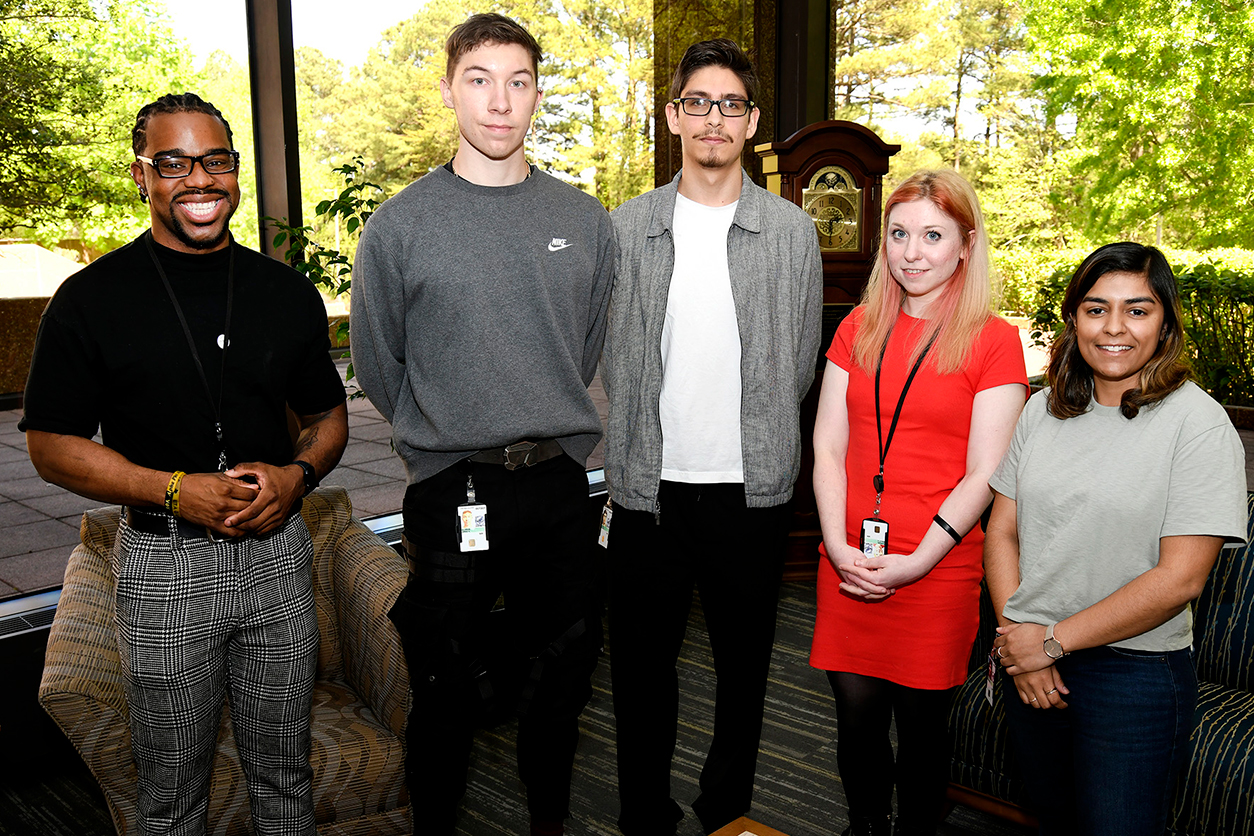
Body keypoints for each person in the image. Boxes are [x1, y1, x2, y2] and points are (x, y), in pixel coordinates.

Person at [20, 92, 349, 835]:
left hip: (277, 558)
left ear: (235, 173)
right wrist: (171, 490)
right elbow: (50, 444)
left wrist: (298, 478)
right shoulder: (88, 300)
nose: (198, 179)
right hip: (165, 571)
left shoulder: (286, 293)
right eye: (172, 162)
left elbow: (328, 419)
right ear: (141, 176)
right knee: (171, 791)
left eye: (215, 161)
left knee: (285, 775)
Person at [349, 13, 614, 836]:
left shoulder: (585, 219)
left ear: (537, 94)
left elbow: (590, 344)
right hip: (452, 491)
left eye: (520, 81)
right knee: (443, 686)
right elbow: (380, 362)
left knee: (560, 681)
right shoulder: (400, 227)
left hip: (562, 492)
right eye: (480, 79)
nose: (501, 102)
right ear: (448, 90)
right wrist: (447, 431)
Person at [601, 38, 823, 836]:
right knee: (640, 673)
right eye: (698, 101)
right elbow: (611, 353)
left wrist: (756, 442)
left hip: (749, 493)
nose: (714, 118)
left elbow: (800, 363)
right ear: (673, 116)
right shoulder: (624, 230)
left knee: (743, 671)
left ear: (752, 119)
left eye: (731, 104)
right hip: (645, 491)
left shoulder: (793, 234)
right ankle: (643, 814)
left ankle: (727, 811)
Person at [985, 242, 1248, 836]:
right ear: (1073, 317)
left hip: (1134, 675)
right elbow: (1002, 532)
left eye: (1137, 309)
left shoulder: (1198, 424)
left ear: (1166, 322)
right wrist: (1018, 640)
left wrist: (1049, 643)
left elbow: (1181, 577)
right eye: (1096, 308)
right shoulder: (1042, 410)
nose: (1114, 328)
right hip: (1031, 661)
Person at [809, 169, 1028, 836]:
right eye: (900, 234)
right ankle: (866, 824)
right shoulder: (856, 327)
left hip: (937, 565)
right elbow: (826, 450)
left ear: (965, 245)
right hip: (848, 554)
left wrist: (917, 561)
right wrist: (841, 547)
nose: (912, 252)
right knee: (855, 720)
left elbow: (985, 472)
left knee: (925, 731)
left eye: (933, 235)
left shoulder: (994, 342)